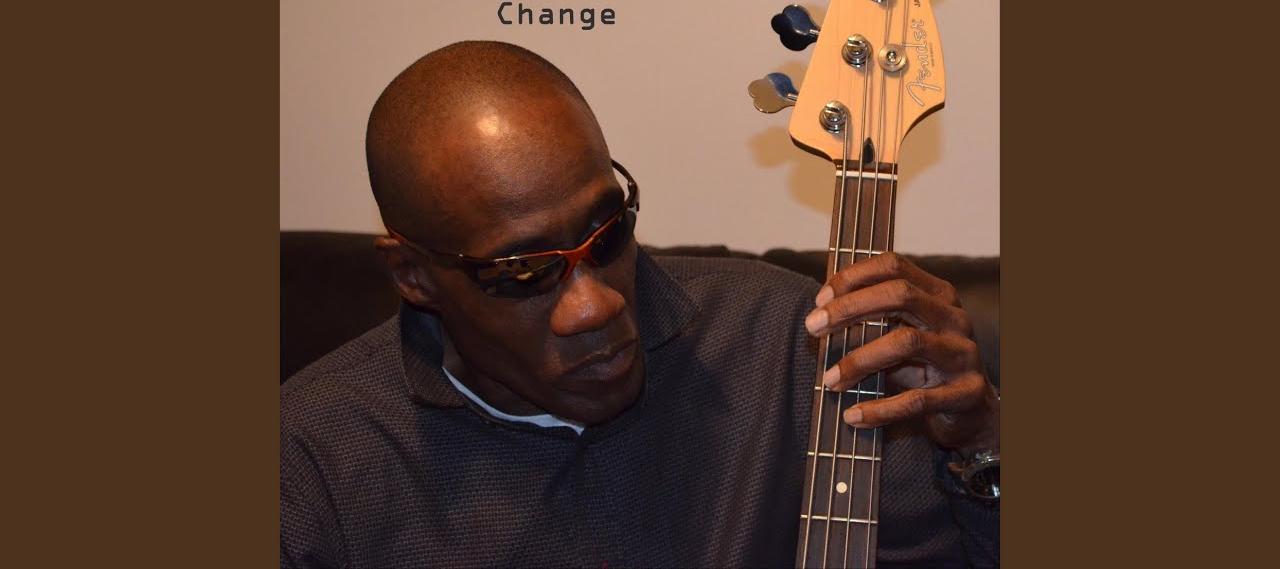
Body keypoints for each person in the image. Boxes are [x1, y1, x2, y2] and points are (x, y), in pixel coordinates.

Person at [280, 40, 1000, 568]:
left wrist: (982, 443)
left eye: (607, 232)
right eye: (524, 271)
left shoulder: (797, 346)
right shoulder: (313, 460)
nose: (593, 307)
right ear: (413, 275)